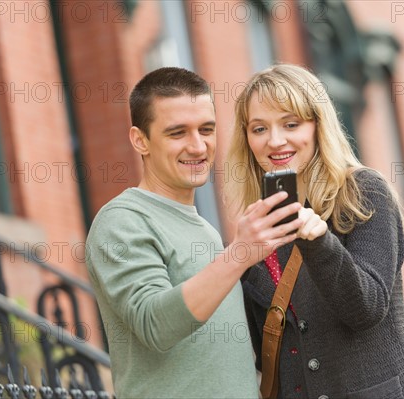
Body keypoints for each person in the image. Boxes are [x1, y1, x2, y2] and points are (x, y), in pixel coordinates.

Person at [85, 67, 305, 399]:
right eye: (177, 133)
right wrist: (239, 255)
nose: (198, 146)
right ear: (140, 140)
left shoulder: (204, 229)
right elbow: (154, 324)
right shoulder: (122, 221)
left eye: (206, 129)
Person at [226, 64, 404, 398]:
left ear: (318, 125)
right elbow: (265, 348)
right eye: (259, 128)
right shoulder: (257, 224)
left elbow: (366, 308)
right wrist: (240, 260)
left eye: (291, 124)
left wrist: (319, 241)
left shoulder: (362, 191)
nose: (275, 141)